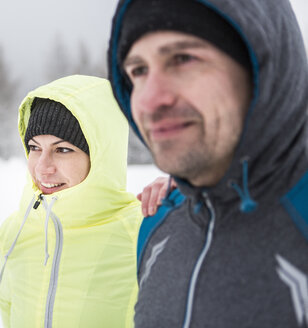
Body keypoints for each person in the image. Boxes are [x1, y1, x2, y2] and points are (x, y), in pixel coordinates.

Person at [107, 0, 308, 327]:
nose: (148, 99)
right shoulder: (159, 223)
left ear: (262, 66)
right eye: (138, 71)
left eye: (183, 59)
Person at [0, 75, 148, 328]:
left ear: (101, 155)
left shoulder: (143, 232)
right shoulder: (14, 232)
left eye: (62, 149)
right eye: (34, 147)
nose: (43, 168)